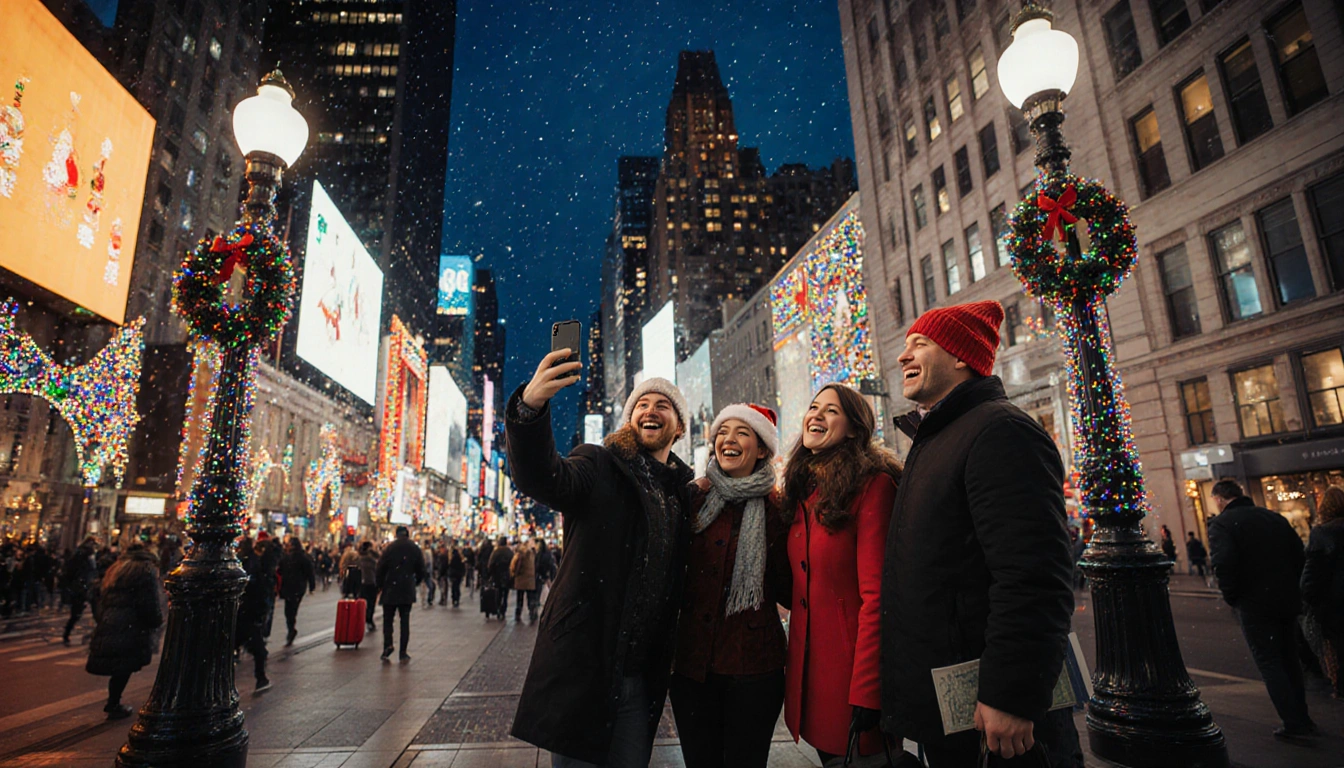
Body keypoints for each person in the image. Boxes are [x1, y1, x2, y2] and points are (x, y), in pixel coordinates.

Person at [881, 300, 1078, 766]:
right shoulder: (940, 437)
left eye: (920, 345)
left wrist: (1011, 695)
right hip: (955, 706)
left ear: (961, 356)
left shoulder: (1000, 432)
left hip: (994, 716)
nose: (902, 357)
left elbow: (1034, 576)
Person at [505, 349, 694, 767]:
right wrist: (530, 408)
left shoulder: (682, 493)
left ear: (679, 427)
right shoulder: (599, 463)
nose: (650, 410)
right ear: (630, 419)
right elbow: (543, 477)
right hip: (585, 670)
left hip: (640, 678)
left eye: (663, 405)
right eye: (641, 404)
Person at [781, 385, 900, 763]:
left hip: (852, 681)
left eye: (830, 411)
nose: (816, 415)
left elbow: (878, 596)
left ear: (853, 429)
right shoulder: (803, 488)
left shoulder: (872, 486)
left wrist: (869, 692)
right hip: (812, 681)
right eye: (813, 407)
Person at [670, 403, 791, 768]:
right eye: (722, 432)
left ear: (762, 449)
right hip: (692, 668)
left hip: (754, 668)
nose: (728, 439)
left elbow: (789, 587)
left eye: (742, 432)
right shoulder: (692, 498)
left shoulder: (780, 508)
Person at [1207, 478, 1316, 739]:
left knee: (1270, 661)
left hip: (1254, 603)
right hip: (1285, 599)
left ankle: (1294, 723)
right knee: (1290, 659)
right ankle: (1303, 717)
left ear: (1220, 499)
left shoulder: (1222, 524)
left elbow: (1224, 564)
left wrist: (1232, 597)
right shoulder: (1273, 517)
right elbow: (1299, 555)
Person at [85, 543, 163, 719]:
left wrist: (103, 616)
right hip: (131, 623)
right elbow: (149, 601)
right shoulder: (144, 571)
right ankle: (113, 703)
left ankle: (113, 701)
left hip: (111, 619)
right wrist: (156, 620)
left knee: (120, 664)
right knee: (124, 665)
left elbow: (100, 595)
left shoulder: (117, 568)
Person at [1302, 486, 1344, 697]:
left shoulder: (1322, 532)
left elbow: (1313, 572)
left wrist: (1309, 598)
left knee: (1337, 648)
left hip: (1335, 602)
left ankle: (1339, 688)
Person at [376, 525, 428, 662]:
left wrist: (380, 585)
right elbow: (422, 569)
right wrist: (414, 582)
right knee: (404, 621)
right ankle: (403, 652)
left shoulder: (390, 548)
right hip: (406, 588)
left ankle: (388, 645)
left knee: (388, 620)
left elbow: (380, 567)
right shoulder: (414, 548)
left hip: (390, 587)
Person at [236, 536, 275, 693]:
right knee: (259, 649)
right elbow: (259, 588)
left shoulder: (237, 561)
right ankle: (261, 678)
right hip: (249, 612)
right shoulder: (255, 564)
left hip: (238, 611)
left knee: (232, 645)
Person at [278, 537, 317, 646]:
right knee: (290, 610)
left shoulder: (294, 557)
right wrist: (311, 586)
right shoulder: (299, 557)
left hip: (293, 587)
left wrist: (312, 585)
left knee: (290, 610)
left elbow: (309, 572)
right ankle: (291, 629)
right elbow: (310, 573)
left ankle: (291, 629)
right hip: (296, 587)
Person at [62, 537, 99, 645]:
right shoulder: (86, 557)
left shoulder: (79, 556)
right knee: (94, 612)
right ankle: (67, 634)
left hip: (81, 587)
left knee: (76, 614)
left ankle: (66, 634)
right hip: (84, 587)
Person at [488, 536, 514, 619]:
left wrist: (490, 573)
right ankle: (503, 610)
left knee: (498, 593)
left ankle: (498, 609)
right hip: (507, 575)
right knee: (505, 594)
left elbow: (491, 563)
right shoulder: (509, 552)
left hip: (497, 575)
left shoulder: (496, 552)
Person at [358, 541, 379, 631]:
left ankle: (361, 620)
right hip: (371, 583)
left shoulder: (359, 558)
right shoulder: (372, 559)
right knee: (371, 603)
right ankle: (369, 620)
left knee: (362, 603)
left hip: (362, 583)